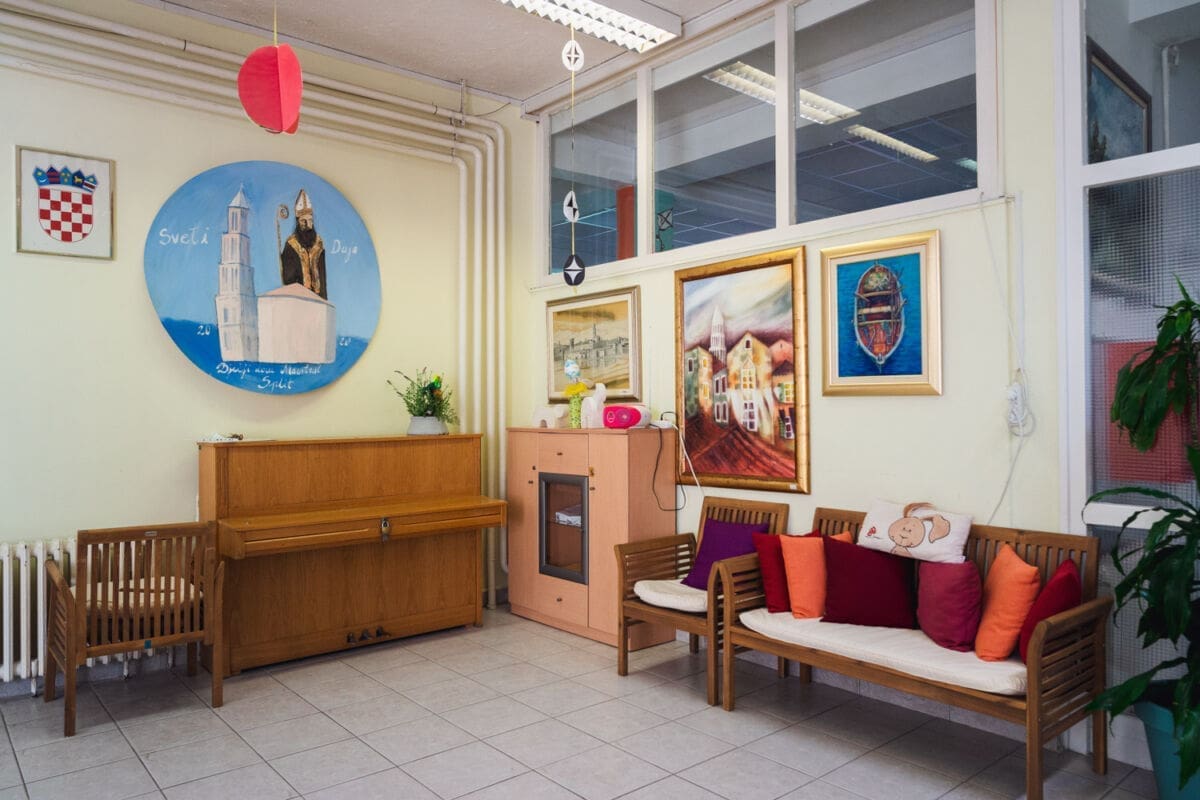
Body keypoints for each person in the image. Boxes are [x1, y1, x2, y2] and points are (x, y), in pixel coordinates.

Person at [280, 189, 328, 299]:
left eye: (310, 220)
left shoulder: (319, 244)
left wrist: (324, 300)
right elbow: (288, 280)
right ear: (298, 222)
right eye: (303, 221)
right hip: (299, 298)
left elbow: (323, 278)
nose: (307, 225)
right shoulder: (291, 245)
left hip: (318, 298)